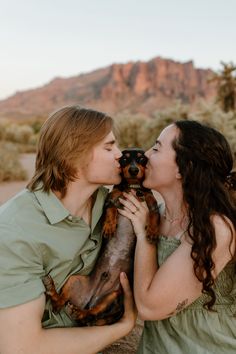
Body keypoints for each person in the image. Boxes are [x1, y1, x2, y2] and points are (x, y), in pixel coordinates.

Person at [0, 105, 137, 354]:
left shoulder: (108, 204)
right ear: (74, 153)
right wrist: (123, 327)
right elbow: (22, 348)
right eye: (109, 147)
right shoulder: (15, 231)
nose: (120, 155)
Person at [118, 120, 236, 353]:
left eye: (157, 147)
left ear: (184, 168)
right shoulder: (157, 215)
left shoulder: (215, 227)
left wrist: (145, 234)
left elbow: (150, 308)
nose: (146, 155)